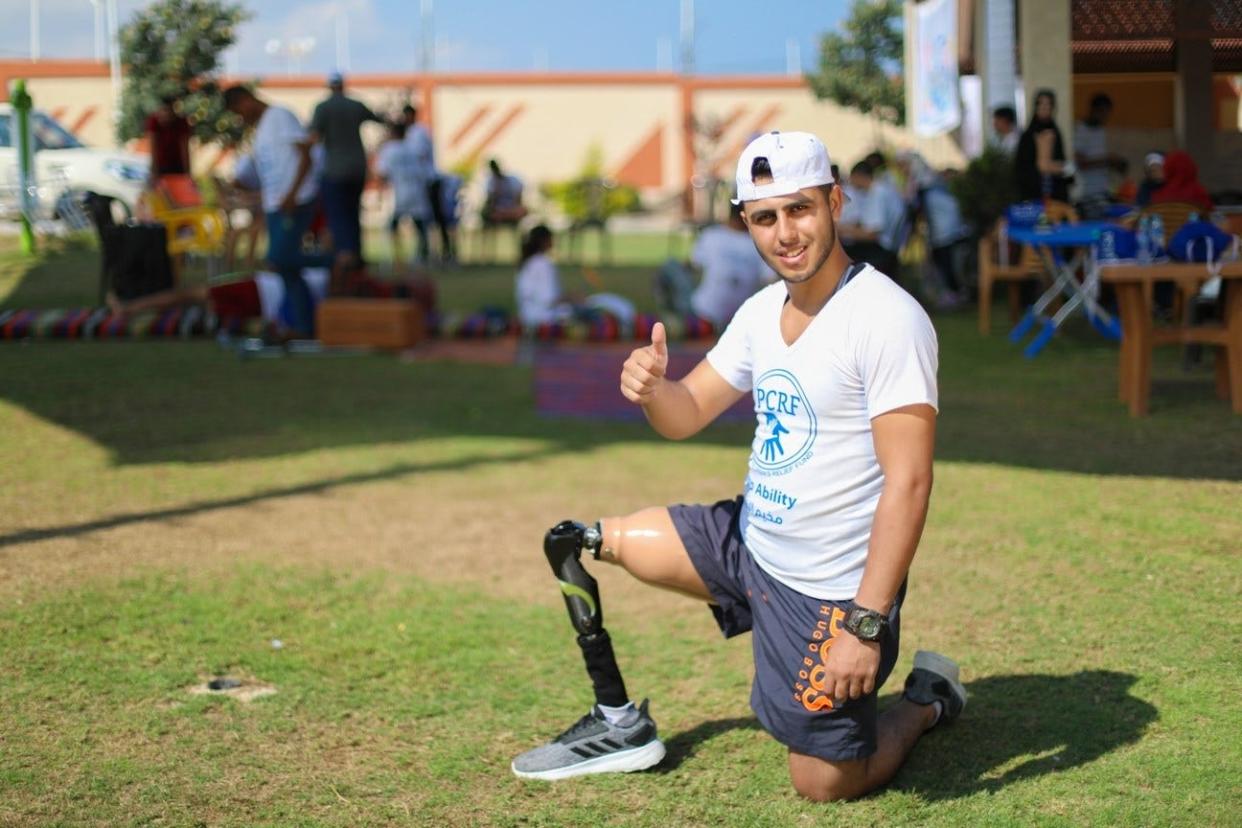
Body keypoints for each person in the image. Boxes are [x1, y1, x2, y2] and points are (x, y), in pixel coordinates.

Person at [511, 131, 964, 802]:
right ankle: (617, 723)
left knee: (822, 782)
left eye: (800, 209)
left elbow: (911, 481)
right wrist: (651, 390)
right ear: (746, 223)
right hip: (751, 542)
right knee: (605, 540)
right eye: (765, 217)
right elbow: (687, 411)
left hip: (831, 591)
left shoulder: (887, 319)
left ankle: (926, 701)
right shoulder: (760, 313)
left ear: (836, 202)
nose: (786, 233)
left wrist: (865, 626)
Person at [224, 85, 324, 336]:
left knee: (280, 257)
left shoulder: (280, 115)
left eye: (238, 111)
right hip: (274, 205)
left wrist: (292, 194)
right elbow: (264, 174)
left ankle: (337, 260)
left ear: (246, 100)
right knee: (284, 267)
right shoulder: (260, 131)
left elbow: (306, 155)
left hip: (296, 200)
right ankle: (303, 326)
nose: (241, 117)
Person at [109, 265, 330, 335]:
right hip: (262, 294)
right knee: (195, 300)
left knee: (190, 294)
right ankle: (133, 309)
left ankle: (129, 308)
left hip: (259, 292)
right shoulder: (327, 279)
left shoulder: (331, 282)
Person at [308, 72, 383, 258]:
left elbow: (314, 137)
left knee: (337, 216)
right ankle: (356, 257)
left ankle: (344, 259)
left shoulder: (323, 107)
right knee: (353, 214)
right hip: (357, 169)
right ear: (343, 86)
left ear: (330, 87)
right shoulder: (355, 105)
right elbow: (380, 119)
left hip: (334, 170)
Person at [685, 201, 775, 327]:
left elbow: (694, 265)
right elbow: (769, 279)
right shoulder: (759, 243)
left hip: (714, 314)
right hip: (719, 316)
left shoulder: (711, 235)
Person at [375, 122, 433, 266]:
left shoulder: (388, 150)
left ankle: (396, 257)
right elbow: (424, 169)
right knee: (419, 225)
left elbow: (382, 173)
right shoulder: (413, 148)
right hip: (415, 190)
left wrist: (380, 193)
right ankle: (422, 256)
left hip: (397, 192)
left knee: (392, 226)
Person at [402, 104, 454, 262]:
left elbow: (419, 155)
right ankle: (426, 251)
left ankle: (446, 252)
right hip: (419, 182)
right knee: (421, 218)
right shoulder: (411, 133)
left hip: (428, 180)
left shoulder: (418, 132)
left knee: (437, 218)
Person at [839, 160, 902, 278]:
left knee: (842, 255)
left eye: (852, 179)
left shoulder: (877, 193)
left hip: (883, 250)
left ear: (859, 176)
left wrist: (840, 231)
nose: (851, 184)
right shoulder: (880, 189)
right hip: (888, 247)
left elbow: (872, 234)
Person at [1015, 89, 1074, 204]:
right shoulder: (1028, 136)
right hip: (1033, 194)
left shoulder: (1056, 132)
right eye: (1041, 104)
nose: (1044, 108)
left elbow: (1062, 163)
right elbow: (1022, 168)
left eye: (1048, 104)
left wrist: (1061, 169)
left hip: (1056, 194)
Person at [1074, 93, 1127, 217]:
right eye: (1103, 112)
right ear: (1094, 110)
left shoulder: (1101, 130)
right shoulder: (1082, 130)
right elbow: (1080, 163)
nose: (1106, 116)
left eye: (1108, 113)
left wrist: (1115, 163)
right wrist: (1107, 159)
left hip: (1102, 190)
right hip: (1087, 194)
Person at [481, 158, 527, 261]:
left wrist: (510, 211)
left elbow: (519, 200)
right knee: (488, 218)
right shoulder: (491, 182)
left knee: (520, 213)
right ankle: (487, 256)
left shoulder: (513, 180)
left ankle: (521, 254)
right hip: (498, 213)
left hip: (511, 212)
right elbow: (490, 203)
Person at [144, 94, 192, 183]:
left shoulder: (181, 123)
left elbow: (184, 149)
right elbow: (153, 149)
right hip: (160, 168)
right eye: (163, 111)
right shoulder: (153, 122)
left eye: (169, 111)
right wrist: (154, 172)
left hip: (178, 168)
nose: (166, 115)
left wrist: (187, 174)